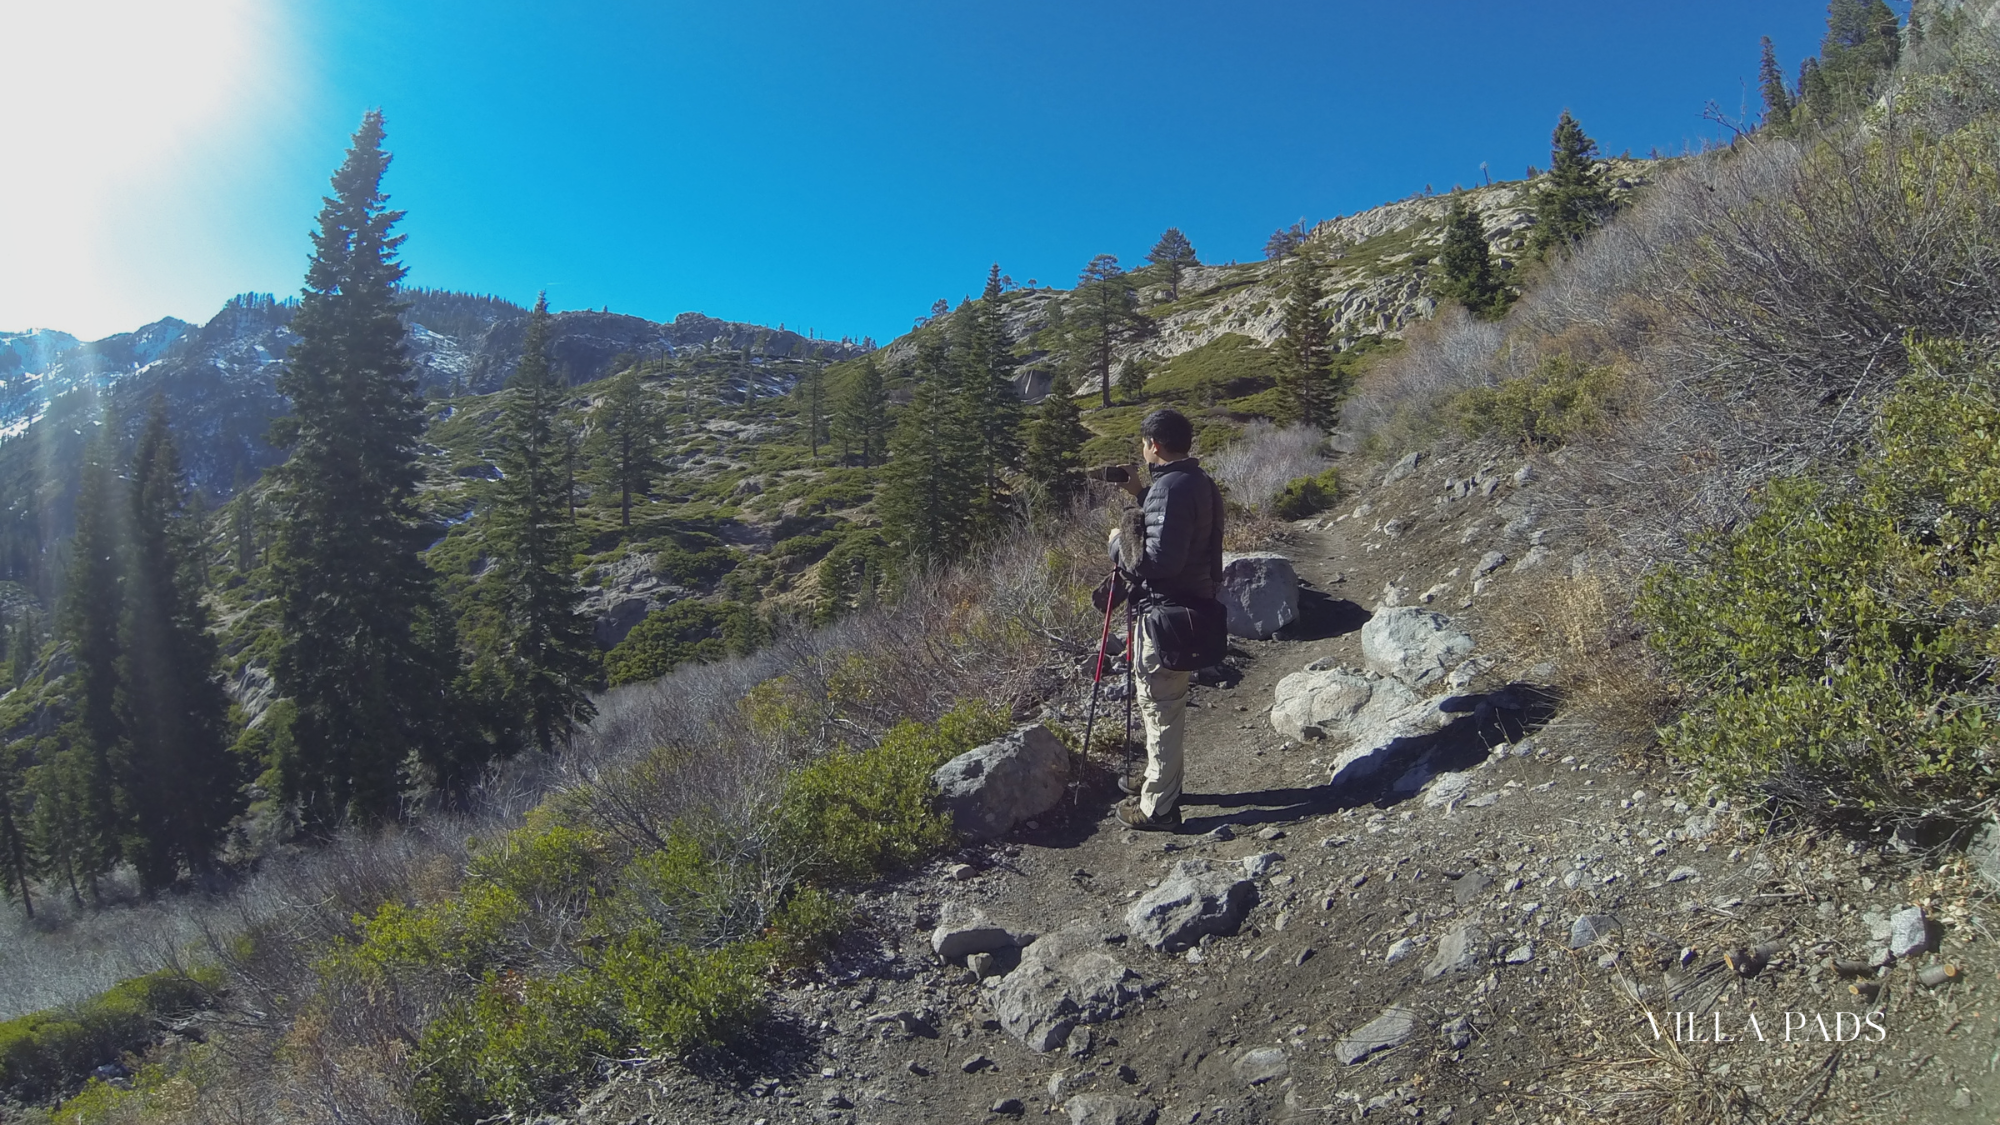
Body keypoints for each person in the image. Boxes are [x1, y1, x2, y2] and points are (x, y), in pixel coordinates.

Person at [1105, 408, 1224, 831]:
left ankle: (1158, 806)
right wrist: (1140, 495)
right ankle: (1161, 778)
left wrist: (1120, 544)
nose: (1142, 450)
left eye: (1143, 443)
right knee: (1165, 706)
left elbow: (1158, 562)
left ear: (1154, 444)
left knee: (1160, 710)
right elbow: (1184, 536)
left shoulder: (1170, 490)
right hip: (1191, 610)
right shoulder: (1198, 482)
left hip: (1165, 616)